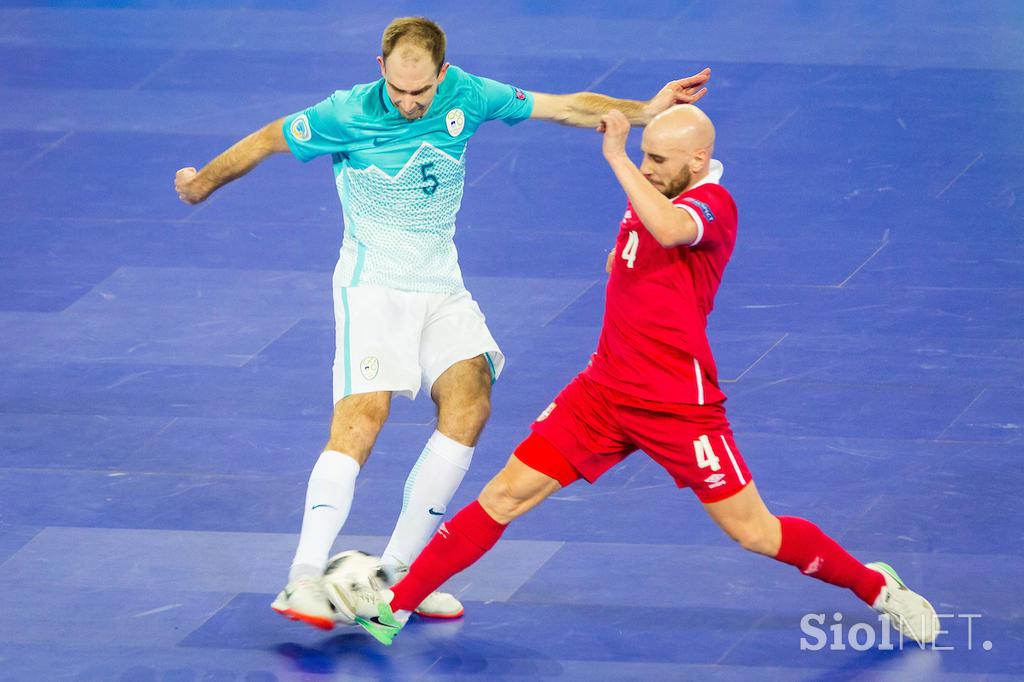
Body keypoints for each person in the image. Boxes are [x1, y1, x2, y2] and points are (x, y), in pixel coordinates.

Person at [173, 16, 712, 630]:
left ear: (441, 74)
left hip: (441, 286)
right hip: (371, 287)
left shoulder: (468, 94)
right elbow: (268, 139)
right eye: (398, 90)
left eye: (420, 92)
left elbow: (563, 108)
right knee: (363, 415)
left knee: (470, 400)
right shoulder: (343, 113)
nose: (408, 103)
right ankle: (301, 578)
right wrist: (200, 185)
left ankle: (398, 576)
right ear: (381, 69)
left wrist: (644, 110)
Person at [344, 104, 941, 647]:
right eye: (645, 157)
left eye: (658, 160)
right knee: (503, 495)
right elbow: (637, 252)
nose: (647, 168)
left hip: (680, 407)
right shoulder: (658, 186)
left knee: (755, 532)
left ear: (698, 160)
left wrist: (617, 157)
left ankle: (876, 586)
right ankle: (392, 608)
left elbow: (672, 230)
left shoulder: (712, 205)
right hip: (602, 394)